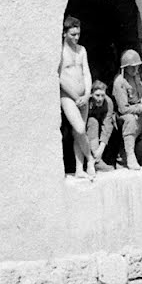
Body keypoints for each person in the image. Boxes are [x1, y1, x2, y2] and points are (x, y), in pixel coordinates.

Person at [59, 16, 95, 179]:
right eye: (73, 34)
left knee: (78, 133)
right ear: (64, 33)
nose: (76, 37)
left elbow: (86, 73)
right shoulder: (60, 51)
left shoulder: (82, 50)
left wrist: (87, 94)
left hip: (83, 97)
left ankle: (79, 168)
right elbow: (60, 77)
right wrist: (75, 97)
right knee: (80, 128)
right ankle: (90, 158)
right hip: (68, 96)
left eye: (78, 34)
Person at [112, 50, 142, 170]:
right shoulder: (120, 82)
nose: (135, 70)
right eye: (132, 67)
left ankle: (129, 156)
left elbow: (141, 91)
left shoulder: (136, 76)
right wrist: (141, 108)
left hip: (136, 108)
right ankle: (130, 156)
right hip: (122, 114)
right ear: (125, 68)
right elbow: (123, 109)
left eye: (137, 66)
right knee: (130, 120)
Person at [85, 81, 116, 173]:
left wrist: (101, 149)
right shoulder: (87, 101)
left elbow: (107, 125)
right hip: (87, 126)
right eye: (97, 95)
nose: (100, 99)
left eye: (103, 95)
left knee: (113, 126)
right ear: (91, 94)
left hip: (100, 123)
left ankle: (98, 160)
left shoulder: (108, 102)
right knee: (93, 122)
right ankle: (96, 162)